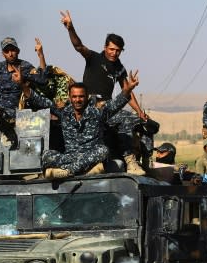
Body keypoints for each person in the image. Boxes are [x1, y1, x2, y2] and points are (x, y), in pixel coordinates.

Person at [59, 10, 148, 175]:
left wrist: (140, 112)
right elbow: (78, 46)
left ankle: (138, 162)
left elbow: (126, 91)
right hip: (89, 105)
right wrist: (70, 28)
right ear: (105, 47)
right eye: (112, 49)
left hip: (107, 107)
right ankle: (130, 162)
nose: (114, 53)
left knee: (138, 122)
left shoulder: (119, 68)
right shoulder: (94, 58)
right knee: (125, 119)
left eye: (118, 50)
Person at [16, 68, 140, 179]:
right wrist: (22, 85)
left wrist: (128, 89)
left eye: (81, 97)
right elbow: (42, 101)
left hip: (91, 155)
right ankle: (84, 171)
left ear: (86, 97)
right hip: (71, 156)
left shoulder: (97, 113)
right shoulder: (64, 113)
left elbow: (115, 104)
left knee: (103, 151)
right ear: (70, 98)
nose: (77, 100)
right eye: (74, 97)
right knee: (46, 155)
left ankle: (68, 171)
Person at [0, 36, 49, 148]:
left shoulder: (25, 67)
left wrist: (40, 55)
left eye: (12, 50)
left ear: (18, 51)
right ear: (3, 53)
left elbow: (43, 79)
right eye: (7, 51)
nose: (10, 54)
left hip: (14, 109)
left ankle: (13, 140)